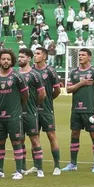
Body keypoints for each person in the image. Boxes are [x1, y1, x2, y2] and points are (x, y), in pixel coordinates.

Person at [62, 48, 94, 173]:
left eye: (83, 55)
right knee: (74, 134)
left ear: (89, 57)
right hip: (76, 110)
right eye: (79, 55)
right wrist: (82, 83)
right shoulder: (73, 72)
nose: (80, 57)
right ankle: (73, 164)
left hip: (89, 109)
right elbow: (68, 89)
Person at [0, 49, 29, 180]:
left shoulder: (17, 76)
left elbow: (25, 95)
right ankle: (0, 170)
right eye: (3, 59)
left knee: (16, 142)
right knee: (0, 142)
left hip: (13, 116)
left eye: (8, 59)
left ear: (12, 61)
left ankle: (19, 171)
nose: (6, 61)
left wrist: (17, 108)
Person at [32, 47, 62, 176]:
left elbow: (57, 91)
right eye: (34, 53)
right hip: (33, 109)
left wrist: (48, 100)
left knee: (51, 136)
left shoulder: (50, 71)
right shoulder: (31, 71)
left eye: (38, 54)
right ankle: (36, 165)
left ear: (44, 56)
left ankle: (57, 166)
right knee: (34, 138)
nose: (35, 56)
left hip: (46, 109)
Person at [17, 48, 46, 178]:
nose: (20, 59)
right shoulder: (15, 74)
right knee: (19, 139)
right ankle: (21, 168)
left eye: (23, 57)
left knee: (34, 139)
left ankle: (39, 168)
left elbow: (42, 94)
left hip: (30, 111)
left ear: (29, 58)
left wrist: (35, 105)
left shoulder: (35, 75)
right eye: (19, 57)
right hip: (16, 112)